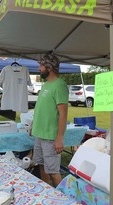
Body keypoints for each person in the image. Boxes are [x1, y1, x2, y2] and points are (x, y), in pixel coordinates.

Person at [30, 54, 68, 187]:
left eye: (41, 66)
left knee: (53, 171)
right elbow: (41, 108)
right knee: (41, 165)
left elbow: (63, 113)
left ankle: (63, 199)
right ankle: (46, 192)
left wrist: (59, 138)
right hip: (40, 134)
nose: (39, 69)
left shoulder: (60, 85)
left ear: (49, 67)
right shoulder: (46, 84)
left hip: (50, 137)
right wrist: (33, 125)